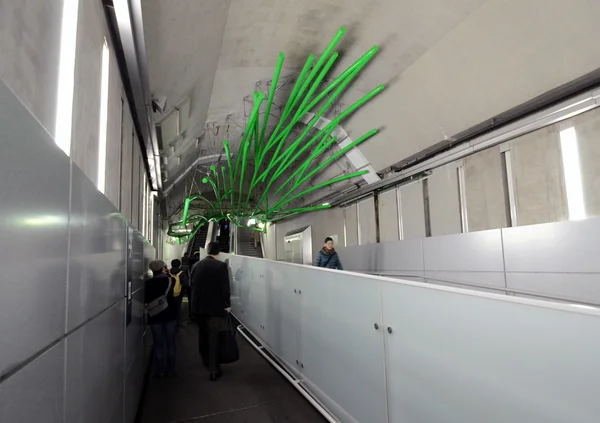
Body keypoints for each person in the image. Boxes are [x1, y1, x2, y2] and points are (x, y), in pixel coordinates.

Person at [191, 242, 231, 381]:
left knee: (203, 335)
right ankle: (214, 370)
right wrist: (227, 304)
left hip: (198, 308)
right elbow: (225, 288)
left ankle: (205, 361)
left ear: (207, 251)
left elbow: (192, 286)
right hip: (214, 308)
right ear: (218, 252)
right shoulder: (221, 266)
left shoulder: (196, 265)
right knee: (214, 338)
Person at [145, 260, 178, 378]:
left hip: (155, 316)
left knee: (158, 343)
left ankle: (160, 371)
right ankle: (170, 370)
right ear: (163, 268)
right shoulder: (171, 280)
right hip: (170, 315)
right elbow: (176, 293)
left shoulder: (147, 283)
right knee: (170, 343)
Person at [170, 259, 190, 324]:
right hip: (179, 293)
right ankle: (177, 323)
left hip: (169, 294)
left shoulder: (168, 272)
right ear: (179, 265)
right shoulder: (181, 273)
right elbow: (186, 284)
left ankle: (170, 321)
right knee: (177, 308)